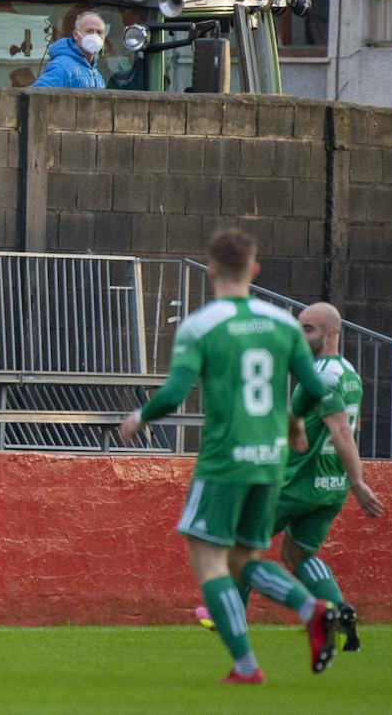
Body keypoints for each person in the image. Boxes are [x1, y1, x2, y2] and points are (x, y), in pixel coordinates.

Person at [118, 229, 340, 685]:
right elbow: (317, 389)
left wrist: (139, 417)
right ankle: (308, 613)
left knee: (209, 561)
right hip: (269, 460)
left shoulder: (201, 325)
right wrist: (294, 423)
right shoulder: (281, 324)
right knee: (242, 559)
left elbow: (175, 393)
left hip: (224, 460)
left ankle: (262, 651)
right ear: (254, 271)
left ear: (211, 271)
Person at [260, 301, 383, 650]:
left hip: (296, 483)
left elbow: (342, 429)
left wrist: (359, 481)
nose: (300, 335)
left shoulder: (319, 377)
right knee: (298, 555)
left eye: (308, 329)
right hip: (330, 488)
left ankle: (231, 626)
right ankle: (339, 610)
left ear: (331, 334)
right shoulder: (350, 374)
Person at [32, 11, 106, 89]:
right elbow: (39, 96)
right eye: (89, 31)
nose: (95, 36)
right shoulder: (62, 67)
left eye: (99, 32)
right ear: (76, 35)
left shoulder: (94, 71)